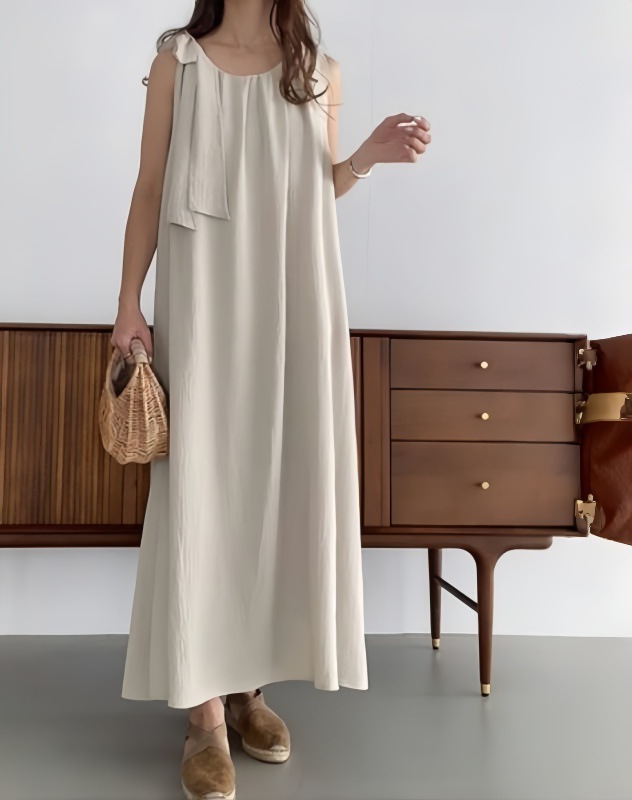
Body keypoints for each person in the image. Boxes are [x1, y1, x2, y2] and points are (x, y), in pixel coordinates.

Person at [111, 1, 431, 797]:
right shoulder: (177, 63)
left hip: (295, 300)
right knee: (203, 486)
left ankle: (248, 689)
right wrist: (127, 304)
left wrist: (366, 157)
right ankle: (203, 714)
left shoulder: (318, 72)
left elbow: (311, 189)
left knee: (278, 484)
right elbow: (149, 187)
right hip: (203, 299)